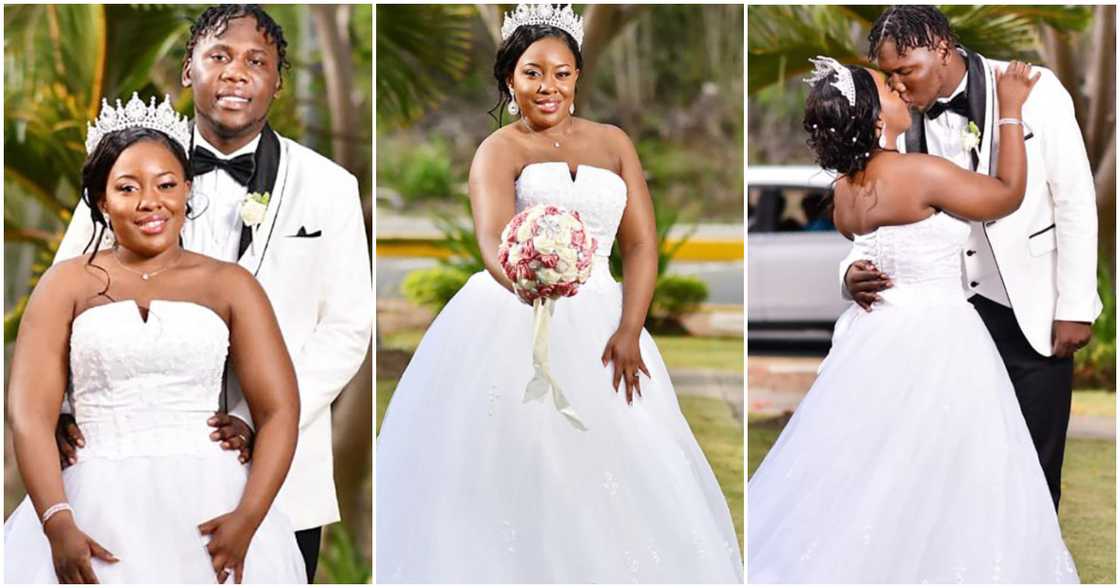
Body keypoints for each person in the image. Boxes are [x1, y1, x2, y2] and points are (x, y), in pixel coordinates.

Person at [376, 4, 742, 583]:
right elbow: (493, 240)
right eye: (533, 72)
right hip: (518, 312)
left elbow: (641, 246)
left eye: (562, 72)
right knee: (525, 459)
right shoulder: (499, 150)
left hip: (603, 316)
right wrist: (531, 279)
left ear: (577, 76)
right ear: (509, 79)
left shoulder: (615, 143)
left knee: (627, 455)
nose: (549, 86)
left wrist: (628, 329)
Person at [49, 6, 373, 581]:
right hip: (126, 465)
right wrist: (68, 409)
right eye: (218, 56)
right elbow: (70, 298)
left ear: (278, 80)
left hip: (282, 476)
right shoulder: (126, 173)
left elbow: (348, 326)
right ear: (187, 71)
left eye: (256, 61)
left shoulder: (330, 187)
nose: (235, 73)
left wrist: (260, 418)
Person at [747, 55, 1078, 582]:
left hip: (874, 342)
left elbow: (874, 247)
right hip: (939, 339)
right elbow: (1007, 196)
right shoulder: (920, 174)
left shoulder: (843, 192)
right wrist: (1011, 112)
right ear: (876, 118)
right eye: (887, 87)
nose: (899, 89)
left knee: (877, 469)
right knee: (954, 472)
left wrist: (854, 270)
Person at [4, 98, 306, 583]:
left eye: (167, 185)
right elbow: (29, 413)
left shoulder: (231, 285)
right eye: (127, 188)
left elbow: (280, 410)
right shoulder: (65, 285)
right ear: (102, 200)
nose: (151, 202)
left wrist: (248, 518)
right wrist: (56, 520)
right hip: (91, 500)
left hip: (215, 503)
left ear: (187, 189)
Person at [840, 6, 1101, 509]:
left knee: (1037, 469)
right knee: (955, 473)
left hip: (1034, 310)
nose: (896, 86)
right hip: (946, 325)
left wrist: (1074, 304)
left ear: (940, 47)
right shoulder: (895, 121)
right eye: (888, 75)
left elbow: (1073, 199)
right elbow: (874, 211)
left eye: (905, 71)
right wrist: (847, 272)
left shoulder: (1034, 87)